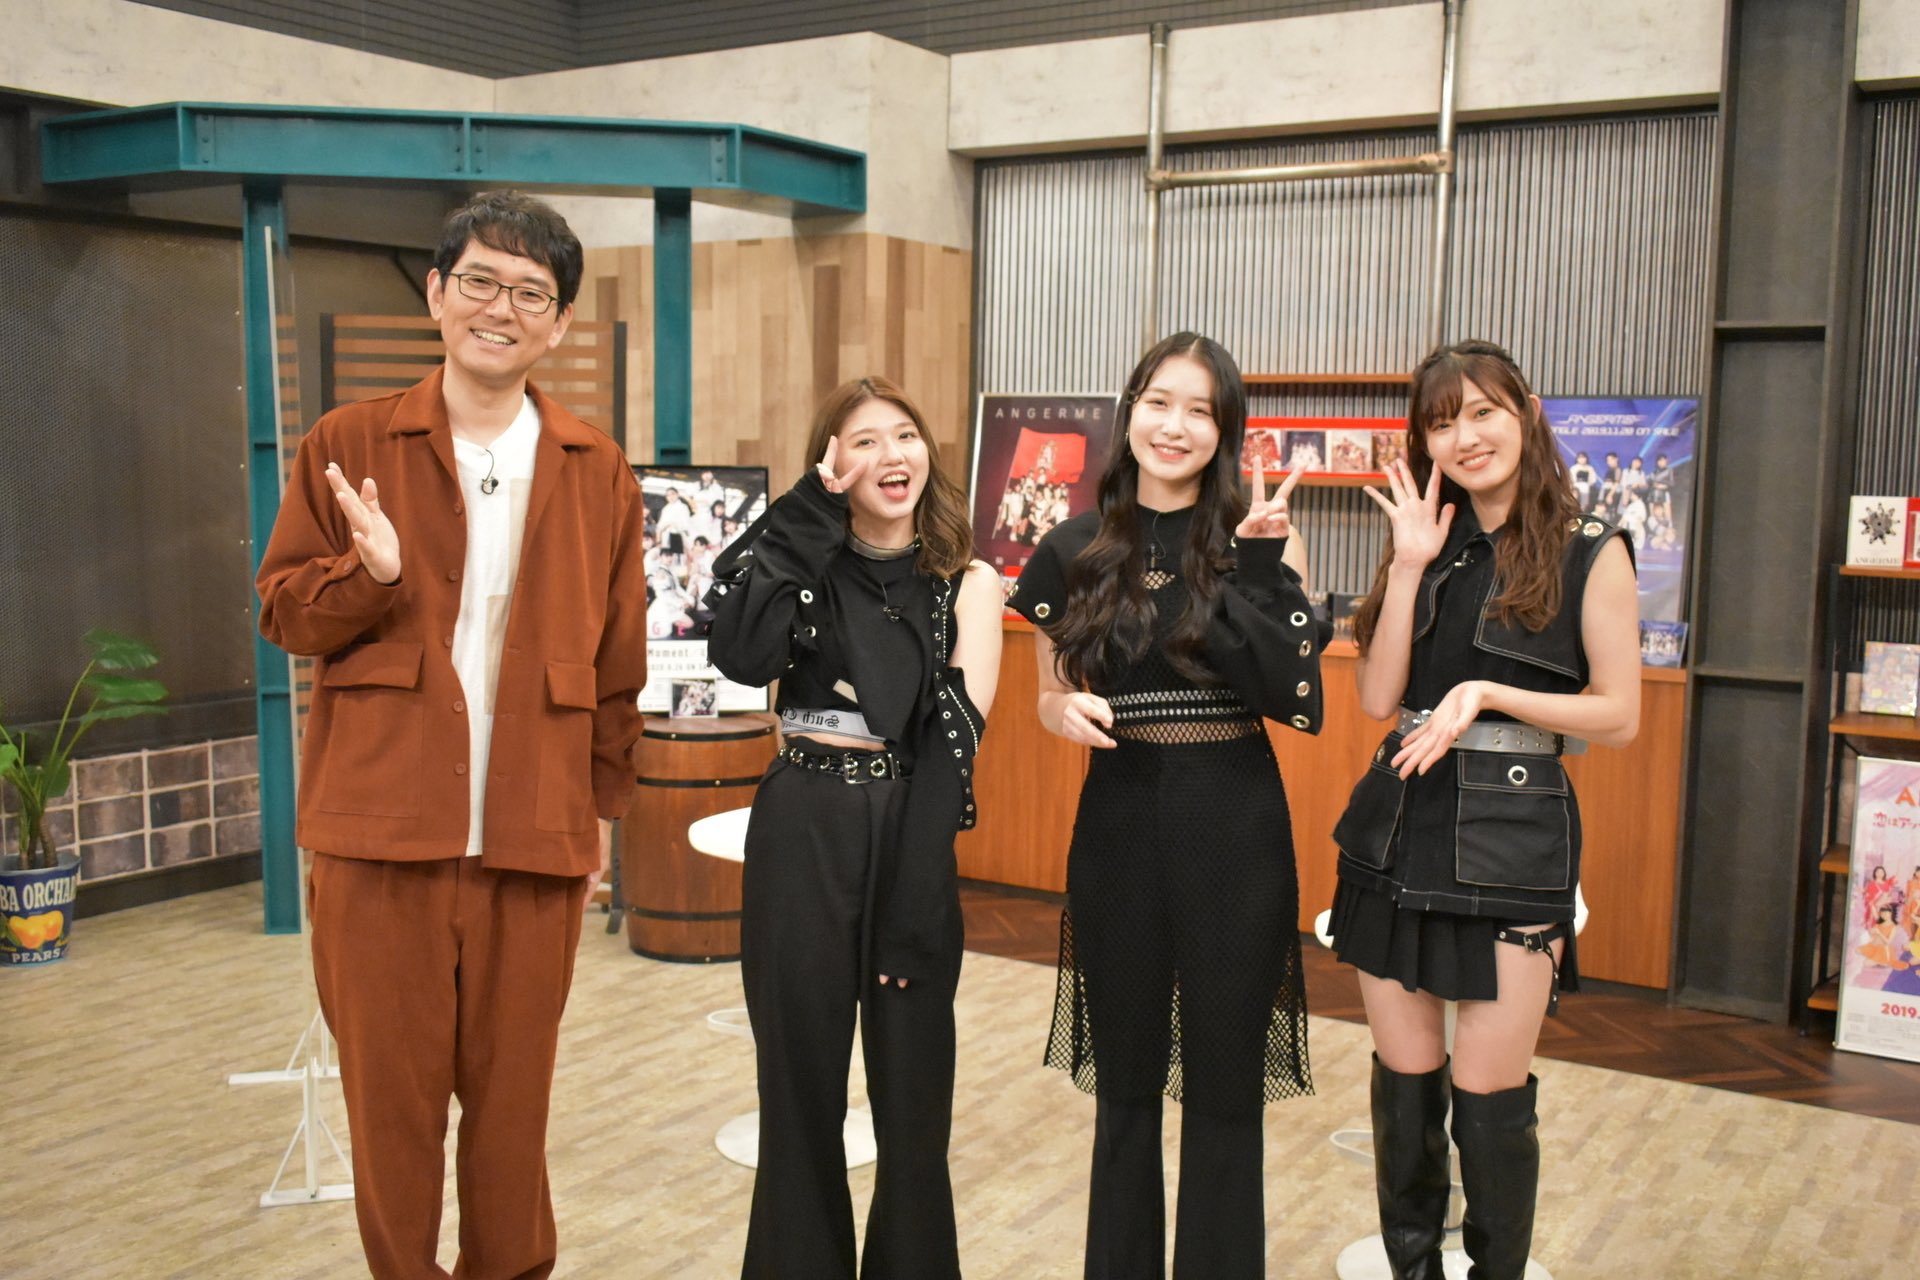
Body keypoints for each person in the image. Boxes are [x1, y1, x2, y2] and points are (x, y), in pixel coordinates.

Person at [256, 190, 649, 1279]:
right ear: (436, 293)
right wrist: (368, 573)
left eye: (530, 292)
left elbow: (619, 658)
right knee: (391, 1111)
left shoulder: (596, 466)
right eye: (479, 280)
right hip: (380, 836)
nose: (500, 307)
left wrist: (600, 808)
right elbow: (284, 612)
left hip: (535, 835)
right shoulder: (349, 444)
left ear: (558, 324)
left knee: (514, 1111)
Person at [1009, 331, 1323, 1278]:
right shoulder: (1072, 547)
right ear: (1130, 411)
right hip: (1119, 823)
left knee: (1226, 1088)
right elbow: (1047, 690)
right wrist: (1061, 711)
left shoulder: (1258, 536)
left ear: (1225, 430)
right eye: (1158, 401)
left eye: (1200, 409)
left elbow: (1290, 692)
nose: (1175, 425)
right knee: (1127, 1087)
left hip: (1235, 824)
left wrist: (1260, 566)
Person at [1331, 339, 1640, 1280]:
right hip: (1397, 827)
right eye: (1441, 422)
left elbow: (1619, 714)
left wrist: (1490, 694)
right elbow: (1377, 700)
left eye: (1482, 412)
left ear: (1527, 414)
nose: (1464, 437)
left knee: (1489, 1100)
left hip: (1514, 842)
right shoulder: (1424, 545)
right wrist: (1409, 567)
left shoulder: (1592, 551)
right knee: (1405, 1089)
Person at [704, 376, 1003, 1280]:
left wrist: (916, 893)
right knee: (798, 1093)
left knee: (913, 1101)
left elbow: (953, 746)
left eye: (904, 435)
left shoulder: (967, 582)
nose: (891, 455)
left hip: (911, 824)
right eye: (863, 440)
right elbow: (741, 655)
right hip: (803, 820)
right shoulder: (802, 567)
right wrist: (804, 518)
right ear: (831, 463)